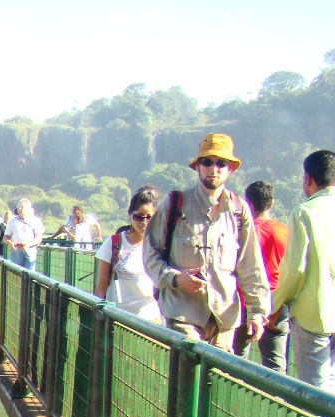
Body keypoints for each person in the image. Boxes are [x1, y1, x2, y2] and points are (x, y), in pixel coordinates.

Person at [142, 133, 270, 353]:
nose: (214, 168)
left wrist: (257, 312)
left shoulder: (239, 211)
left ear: (230, 168)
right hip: (183, 315)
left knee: (216, 382)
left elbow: (251, 265)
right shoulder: (174, 205)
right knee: (188, 378)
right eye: (207, 161)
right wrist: (175, 278)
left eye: (221, 163)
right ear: (197, 166)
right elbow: (149, 255)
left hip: (224, 319)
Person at [271, 149, 335, 392]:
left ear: (308, 178)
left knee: (315, 394)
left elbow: (295, 269)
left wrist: (276, 304)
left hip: (314, 316)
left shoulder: (305, 212)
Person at [231, 181, 290, 371]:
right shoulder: (284, 232)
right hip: (277, 301)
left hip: (243, 299)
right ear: (271, 203)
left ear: (247, 203)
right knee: (275, 363)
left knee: (236, 358)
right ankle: (279, 398)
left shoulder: (240, 232)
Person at [93, 188, 162, 324]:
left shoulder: (160, 245)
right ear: (130, 215)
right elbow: (100, 287)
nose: (144, 222)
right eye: (138, 216)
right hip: (118, 320)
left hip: (152, 322)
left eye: (149, 217)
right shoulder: (113, 243)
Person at [3, 198, 44, 269]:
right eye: (18, 206)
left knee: (29, 274)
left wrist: (29, 243)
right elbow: (5, 237)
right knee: (16, 273)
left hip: (30, 250)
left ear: (28, 209)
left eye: (22, 207)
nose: (19, 208)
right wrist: (8, 242)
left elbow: (39, 238)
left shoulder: (35, 221)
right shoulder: (12, 221)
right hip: (16, 251)